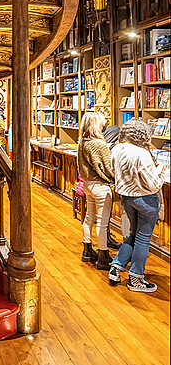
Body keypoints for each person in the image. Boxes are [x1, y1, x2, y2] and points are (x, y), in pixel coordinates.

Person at [109, 119, 167, 292]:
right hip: (146, 199)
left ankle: (116, 267)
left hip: (127, 198)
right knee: (143, 239)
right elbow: (153, 184)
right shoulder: (142, 153)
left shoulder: (117, 149)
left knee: (133, 235)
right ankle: (136, 278)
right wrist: (162, 170)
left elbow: (113, 171)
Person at [77, 112, 115, 270]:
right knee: (102, 222)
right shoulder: (99, 144)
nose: (104, 126)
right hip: (100, 186)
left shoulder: (82, 141)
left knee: (88, 218)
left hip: (88, 184)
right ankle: (103, 255)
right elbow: (108, 168)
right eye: (102, 123)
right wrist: (115, 178)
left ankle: (87, 250)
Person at [102, 124, 125, 250]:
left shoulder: (103, 147)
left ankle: (106, 239)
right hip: (111, 185)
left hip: (102, 186)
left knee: (104, 216)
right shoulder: (113, 149)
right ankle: (106, 242)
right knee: (106, 215)